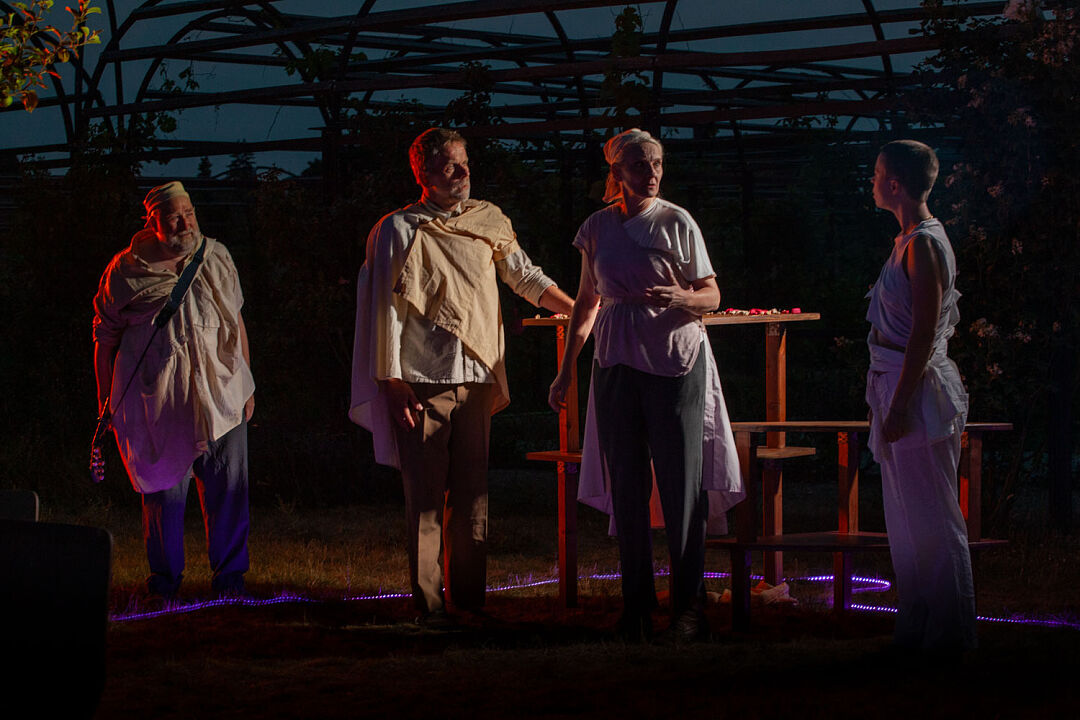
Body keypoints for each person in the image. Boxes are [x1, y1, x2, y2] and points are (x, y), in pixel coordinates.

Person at [350, 128, 574, 627]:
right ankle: (429, 605)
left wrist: (581, 312)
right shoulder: (399, 229)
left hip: (477, 373)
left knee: (474, 494)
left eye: (465, 162)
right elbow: (384, 309)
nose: (462, 172)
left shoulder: (487, 219)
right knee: (426, 496)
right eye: (449, 165)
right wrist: (391, 379)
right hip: (421, 376)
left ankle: (470, 600)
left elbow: (525, 277)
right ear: (423, 173)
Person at [548, 128, 743, 642]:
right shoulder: (596, 228)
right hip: (616, 360)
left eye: (657, 163)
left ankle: (688, 606)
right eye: (639, 164)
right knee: (628, 485)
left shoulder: (676, 220)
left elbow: (712, 294)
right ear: (618, 173)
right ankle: (636, 605)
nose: (652, 173)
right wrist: (567, 368)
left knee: (681, 483)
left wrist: (682, 297)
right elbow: (587, 302)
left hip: (673, 357)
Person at [93, 181, 255, 600]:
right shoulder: (126, 269)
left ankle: (230, 579)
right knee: (164, 490)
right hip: (157, 396)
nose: (185, 223)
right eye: (173, 217)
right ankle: (164, 582)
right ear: (153, 221)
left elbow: (236, 322)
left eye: (190, 214)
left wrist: (247, 384)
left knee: (228, 485)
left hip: (221, 391)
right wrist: (105, 402)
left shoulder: (216, 256)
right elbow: (105, 338)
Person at [866, 139, 976, 653]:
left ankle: (950, 631)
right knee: (906, 514)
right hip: (893, 381)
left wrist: (901, 403)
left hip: (916, 392)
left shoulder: (925, 245)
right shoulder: (907, 239)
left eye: (876, 174)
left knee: (932, 512)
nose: (871, 182)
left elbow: (923, 332)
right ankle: (917, 622)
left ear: (894, 184)